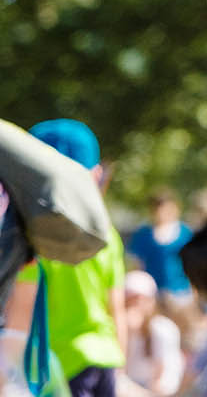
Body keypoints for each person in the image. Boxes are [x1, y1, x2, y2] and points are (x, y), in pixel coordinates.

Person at [4, 120, 125, 397]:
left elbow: (21, 313)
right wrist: (120, 364)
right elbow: (115, 307)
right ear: (95, 176)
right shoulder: (108, 234)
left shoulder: (38, 237)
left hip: (59, 362)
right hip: (104, 355)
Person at [125, 192, 193, 314]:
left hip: (180, 292)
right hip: (153, 293)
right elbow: (137, 265)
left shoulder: (185, 233)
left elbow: (192, 264)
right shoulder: (143, 234)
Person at [122, 271, 183, 397]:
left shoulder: (162, 329)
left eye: (139, 299)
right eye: (129, 299)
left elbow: (162, 381)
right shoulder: (116, 327)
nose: (135, 304)